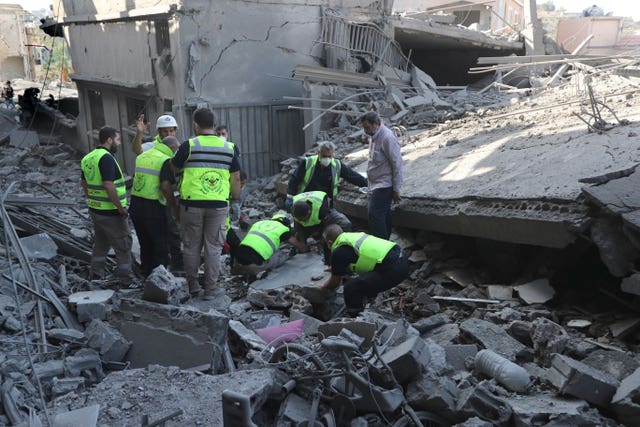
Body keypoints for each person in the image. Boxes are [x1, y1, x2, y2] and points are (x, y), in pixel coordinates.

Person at [171, 108, 241, 298]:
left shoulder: (188, 146)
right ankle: (211, 288)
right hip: (218, 205)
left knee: (191, 246)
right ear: (213, 124)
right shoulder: (229, 148)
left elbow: (174, 167)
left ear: (195, 124)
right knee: (213, 247)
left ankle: (193, 286)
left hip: (191, 204)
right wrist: (235, 198)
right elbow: (236, 178)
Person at [80, 126, 139, 288]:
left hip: (95, 210)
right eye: (118, 140)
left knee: (101, 243)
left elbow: (84, 183)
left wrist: (92, 199)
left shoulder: (88, 158)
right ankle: (127, 280)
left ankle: (96, 274)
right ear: (109, 140)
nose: (119, 144)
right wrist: (120, 208)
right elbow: (108, 185)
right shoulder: (106, 158)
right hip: (110, 212)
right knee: (123, 245)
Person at [318, 224, 409, 317]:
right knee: (363, 280)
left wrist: (322, 287)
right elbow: (354, 257)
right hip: (402, 257)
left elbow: (334, 283)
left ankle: (355, 316)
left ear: (329, 242)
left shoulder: (338, 251)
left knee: (351, 287)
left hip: (395, 270)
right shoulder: (352, 237)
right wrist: (336, 267)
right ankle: (369, 296)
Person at [131, 114, 184, 271]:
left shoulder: (145, 156)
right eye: (165, 131)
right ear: (158, 132)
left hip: (136, 203)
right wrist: (175, 207)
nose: (168, 134)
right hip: (156, 203)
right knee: (159, 242)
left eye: (171, 131)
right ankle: (160, 279)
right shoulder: (158, 153)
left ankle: (148, 273)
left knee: (147, 242)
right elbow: (166, 186)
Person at [286, 141, 368, 210]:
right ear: (319, 153)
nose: (327, 159)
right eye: (324, 156)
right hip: (306, 202)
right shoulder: (308, 163)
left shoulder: (337, 165)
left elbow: (353, 176)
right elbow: (294, 179)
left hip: (325, 204)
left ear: (333, 154)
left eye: (330, 156)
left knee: (344, 223)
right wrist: (290, 196)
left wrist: (369, 184)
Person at [360, 111, 403, 240]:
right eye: (364, 127)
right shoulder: (374, 135)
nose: (365, 130)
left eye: (367, 127)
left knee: (374, 214)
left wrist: (396, 188)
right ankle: (386, 242)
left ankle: (381, 247)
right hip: (376, 183)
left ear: (377, 124)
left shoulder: (387, 138)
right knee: (383, 214)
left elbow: (397, 163)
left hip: (384, 183)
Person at [229, 213, 305, 277]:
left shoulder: (259, 223)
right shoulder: (282, 229)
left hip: (238, 256)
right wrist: (306, 249)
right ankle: (251, 269)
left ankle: (239, 268)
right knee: (281, 254)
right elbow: (299, 246)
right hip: (255, 263)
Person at [291, 190, 351, 265]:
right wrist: (302, 244)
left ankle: (345, 249)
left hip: (324, 214)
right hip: (314, 218)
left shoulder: (322, 209)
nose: (303, 221)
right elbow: (298, 226)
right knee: (297, 235)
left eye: (304, 219)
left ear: (309, 211)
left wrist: (322, 241)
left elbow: (326, 227)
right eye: (300, 220)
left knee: (345, 223)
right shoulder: (294, 209)